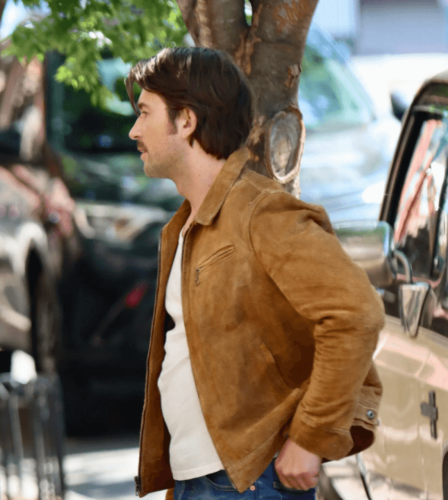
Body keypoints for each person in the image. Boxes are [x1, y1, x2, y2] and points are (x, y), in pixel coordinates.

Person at [126, 47, 384, 499]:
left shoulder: (262, 212)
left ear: (186, 121)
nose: (133, 130)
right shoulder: (187, 225)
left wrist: (310, 437)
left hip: (247, 482)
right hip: (204, 480)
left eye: (145, 113)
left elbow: (355, 314)